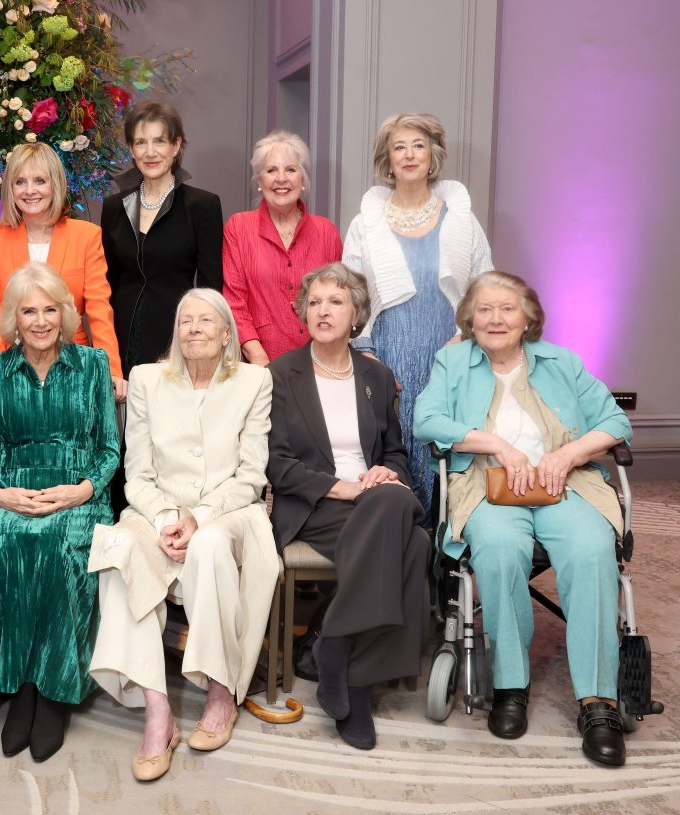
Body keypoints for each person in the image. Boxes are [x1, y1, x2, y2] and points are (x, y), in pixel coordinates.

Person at [413, 271, 633, 767]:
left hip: (564, 484)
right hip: (488, 487)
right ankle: (511, 685)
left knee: (592, 550)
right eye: (484, 309)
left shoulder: (561, 361)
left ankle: (598, 702)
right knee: (498, 550)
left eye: (507, 308)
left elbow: (617, 422)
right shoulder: (452, 361)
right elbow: (426, 421)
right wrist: (496, 444)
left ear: (528, 317)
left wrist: (571, 454)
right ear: (469, 318)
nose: (495, 319)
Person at [89, 289, 280, 782]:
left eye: (206, 320)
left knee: (212, 545)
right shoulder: (148, 379)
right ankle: (158, 712)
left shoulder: (255, 381)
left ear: (225, 334)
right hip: (158, 509)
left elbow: (250, 475)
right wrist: (166, 519)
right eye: (185, 320)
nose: (194, 328)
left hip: (230, 510)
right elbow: (137, 474)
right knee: (119, 548)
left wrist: (200, 517)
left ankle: (221, 691)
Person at [0, 262, 120, 762]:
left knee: (53, 542)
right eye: (29, 310)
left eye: (51, 308)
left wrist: (81, 491)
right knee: (9, 538)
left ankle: (52, 693)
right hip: (11, 491)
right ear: (13, 318)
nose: (41, 320)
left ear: (66, 314)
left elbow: (110, 450)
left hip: (77, 493)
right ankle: (21, 687)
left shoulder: (93, 365)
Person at [265, 263, 430, 750]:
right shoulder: (280, 373)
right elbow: (278, 465)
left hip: (373, 497)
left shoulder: (376, 376)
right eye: (314, 302)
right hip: (314, 506)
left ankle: (338, 652)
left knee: (396, 513)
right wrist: (347, 488)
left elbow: (394, 452)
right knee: (414, 542)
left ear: (356, 313)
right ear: (302, 312)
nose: (323, 310)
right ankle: (352, 674)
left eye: (335, 301)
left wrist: (386, 475)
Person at [342, 113, 493, 517]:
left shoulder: (461, 220)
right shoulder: (365, 224)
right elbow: (351, 296)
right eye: (399, 147)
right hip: (385, 358)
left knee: (445, 457)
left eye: (418, 145)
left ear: (433, 157)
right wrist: (368, 356)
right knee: (391, 453)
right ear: (387, 161)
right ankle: (398, 556)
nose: (409, 155)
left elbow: (485, 289)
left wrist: (464, 338)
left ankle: (443, 567)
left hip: (451, 355)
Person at [0, 143, 126, 400]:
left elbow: (100, 309)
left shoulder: (86, 236)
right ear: (10, 188)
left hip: (75, 365)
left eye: (40, 181)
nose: (30, 190)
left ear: (55, 185)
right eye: (20, 182)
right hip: (13, 367)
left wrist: (110, 369)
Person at [101, 101, 224, 375]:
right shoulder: (113, 207)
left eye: (160, 141)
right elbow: (107, 284)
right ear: (131, 149)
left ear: (176, 146)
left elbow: (210, 288)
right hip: (122, 339)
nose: (150, 152)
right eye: (141, 142)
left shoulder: (202, 206)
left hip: (177, 338)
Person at [223, 130, 343, 366]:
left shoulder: (326, 232)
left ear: (303, 178)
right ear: (260, 180)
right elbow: (234, 302)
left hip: (318, 364)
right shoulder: (238, 227)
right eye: (271, 170)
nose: (281, 179)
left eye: (290, 169)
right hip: (256, 365)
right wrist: (260, 361)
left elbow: (338, 302)